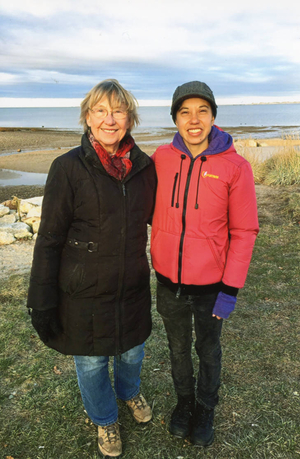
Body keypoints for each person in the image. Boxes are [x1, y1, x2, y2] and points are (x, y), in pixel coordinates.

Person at [27, 79, 156, 458]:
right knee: (92, 359)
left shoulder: (145, 168)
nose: (110, 119)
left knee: (133, 351)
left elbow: (167, 221)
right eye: (100, 110)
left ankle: (129, 393)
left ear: (130, 119)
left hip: (131, 281)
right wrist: (41, 297)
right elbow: (49, 239)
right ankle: (104, 418)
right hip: (82, 287)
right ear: (87, 118)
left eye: (118, 111)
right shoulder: (67, 167)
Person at [150, 81, 259, 447]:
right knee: (177, 348)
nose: (194, 120)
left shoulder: (235, 166)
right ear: (175, 119)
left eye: (202, 111)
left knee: (207, 349)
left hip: (211, 286)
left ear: (213, 116)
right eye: (185, 112)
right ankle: (184, 404)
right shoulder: (161, 159)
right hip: (168, 282)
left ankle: (206, 406)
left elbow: (244, 231)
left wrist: (230, 290)